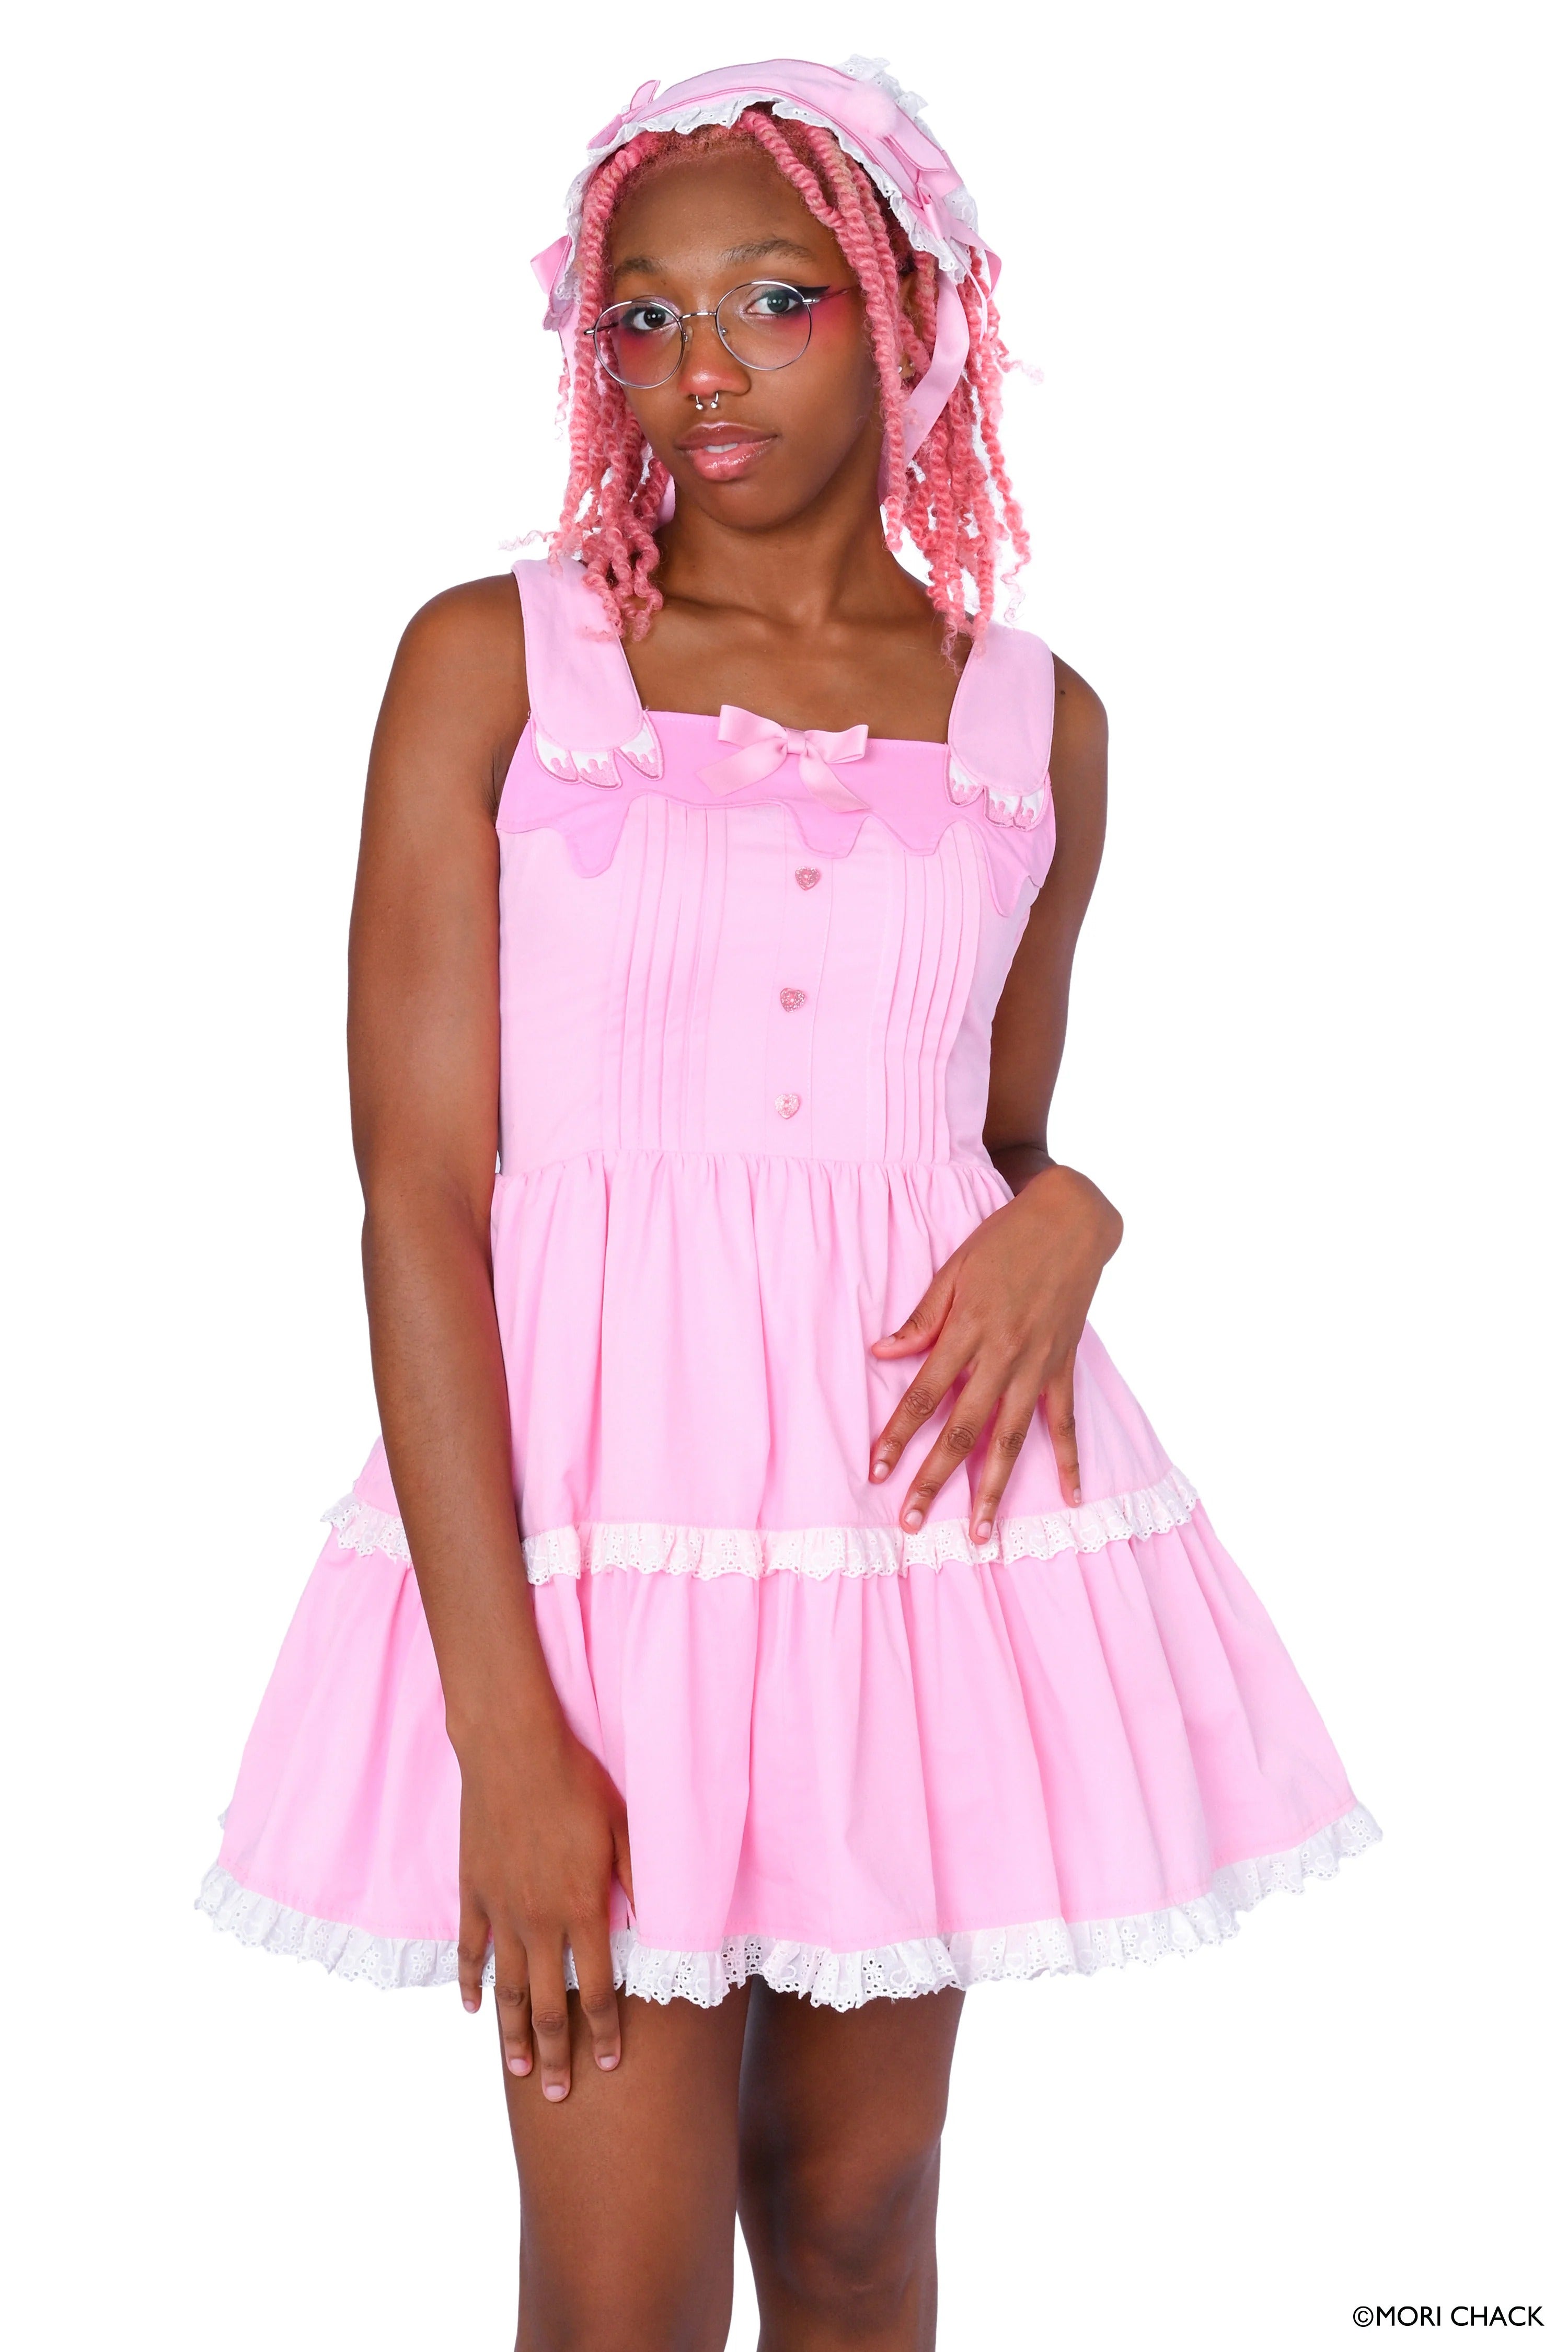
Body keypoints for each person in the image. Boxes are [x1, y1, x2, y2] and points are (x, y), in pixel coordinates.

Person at [199, 57, 1381, 2351]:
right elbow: (415, 1199)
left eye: (772, 299)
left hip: (902, 1550)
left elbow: (988, 1140)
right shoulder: (492, 665)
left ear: (910, 312)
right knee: (619, 2296)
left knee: (854, 2217)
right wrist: (507, 1727)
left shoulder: (1035, 723)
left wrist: (1079, 1214)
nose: (701, 368)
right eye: (644, 316)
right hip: (592, 1555)